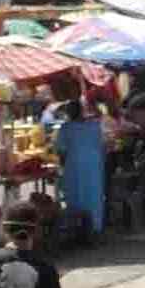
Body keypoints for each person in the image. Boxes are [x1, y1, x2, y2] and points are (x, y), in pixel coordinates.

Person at [54, 100, 105, 234]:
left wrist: (61, 166)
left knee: (76, 196)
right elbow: (102, 145)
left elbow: (61, 151)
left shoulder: (66, 128)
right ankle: (94, 228)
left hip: (74, 166)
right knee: (93, 196)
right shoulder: (94, 125)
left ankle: (78, 229)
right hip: (94, 165)